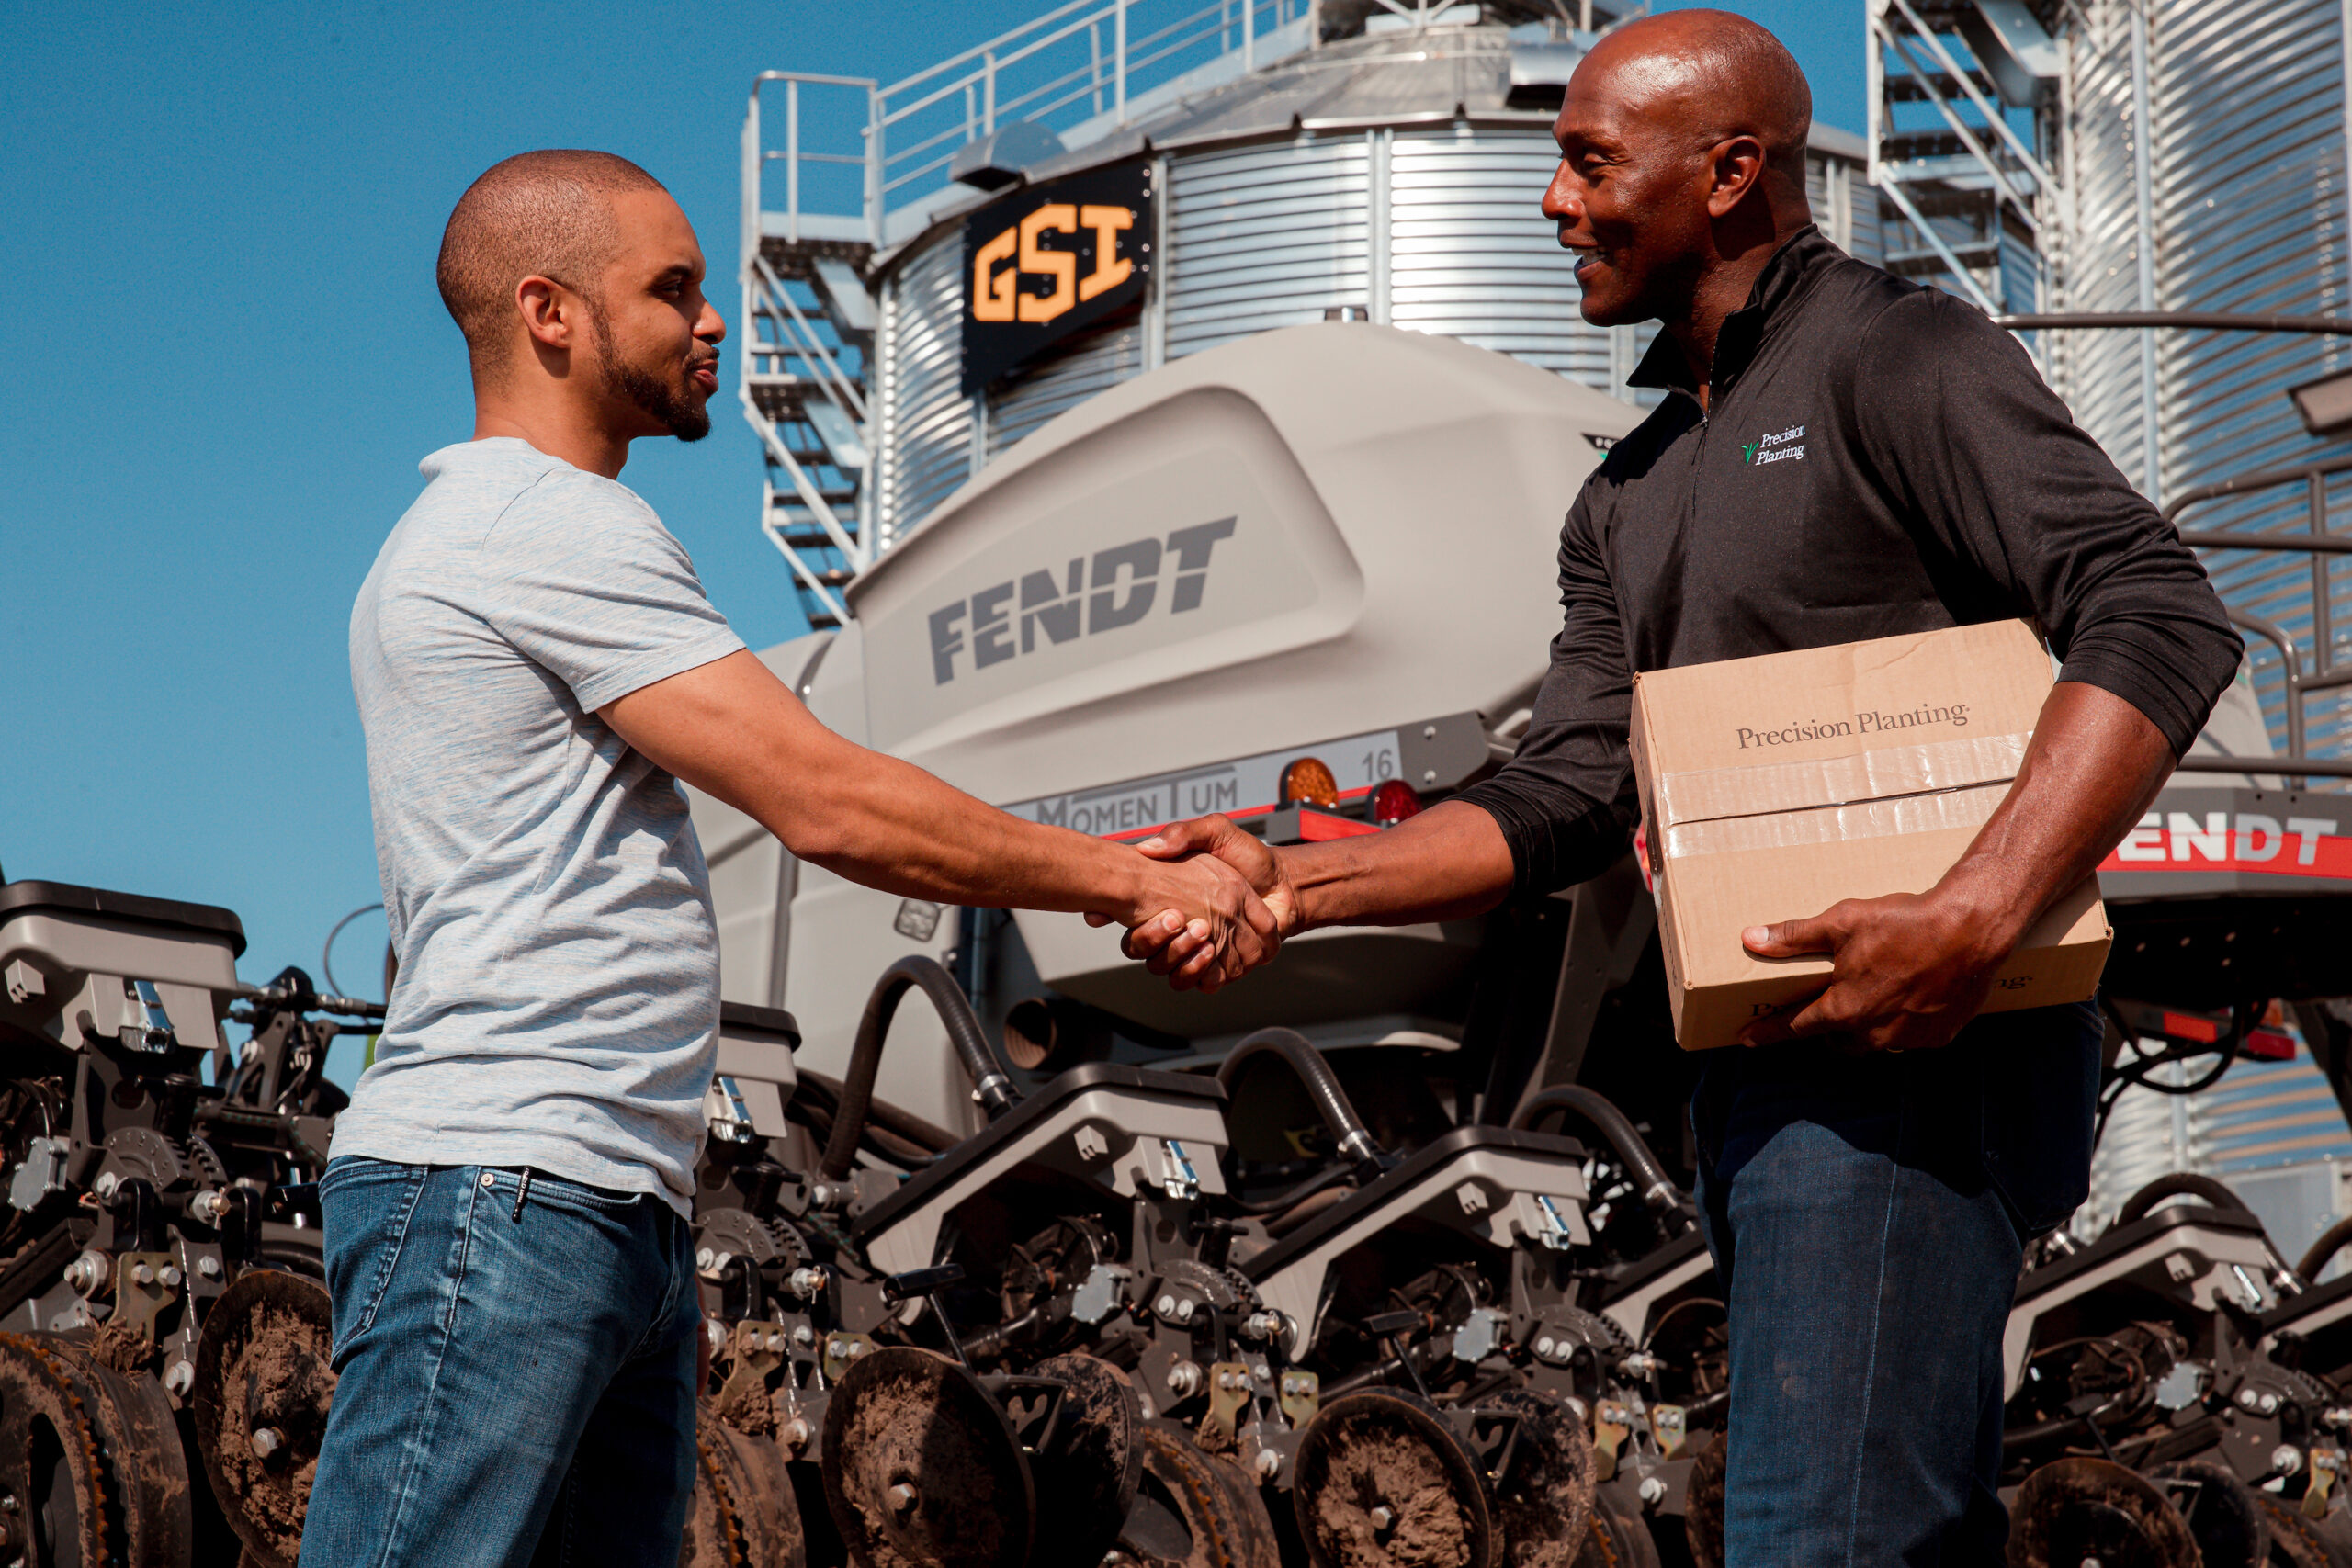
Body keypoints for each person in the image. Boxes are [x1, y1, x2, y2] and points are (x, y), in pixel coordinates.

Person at [1119, 14, 2240, 1563]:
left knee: (1821, 1538)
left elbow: (2158, 609)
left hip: (1915, 1056)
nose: (1555, 203)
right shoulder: (1627, 491)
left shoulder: (1898, 355)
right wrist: (1292, 882)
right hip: (1760, 1077)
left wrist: (1973, 916)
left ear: (1727, 175)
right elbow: (1574, 784)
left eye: (1590, 163)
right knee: (1863, 1528)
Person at [306, 150, 1272, 1568]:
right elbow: (827, 803)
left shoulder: (483, 532)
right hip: (505, 1193)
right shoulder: (541, 524)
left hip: (589, 1198)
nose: (714, 323)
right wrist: (1140, 882)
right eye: (673, 289)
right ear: (549, 312)